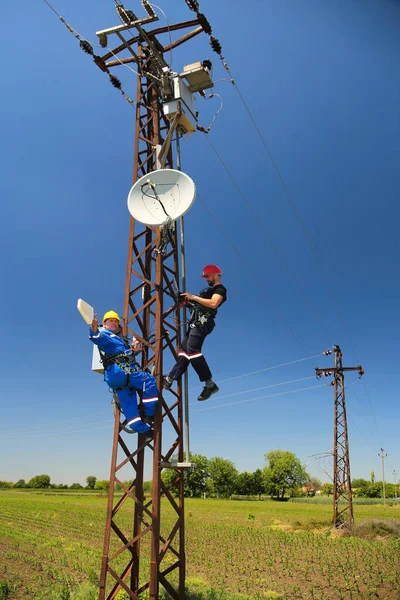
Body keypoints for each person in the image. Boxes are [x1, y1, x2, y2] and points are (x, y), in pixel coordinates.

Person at [89, 310, 158, 440]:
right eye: (111, 321)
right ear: (104, 324)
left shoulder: (118, 340)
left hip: (115, 377)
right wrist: (93, 327)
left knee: (128, 405)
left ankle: (144, 431)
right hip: (122, 371)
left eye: (116, 321)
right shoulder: (105, 335)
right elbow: (95, 337)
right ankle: (150, 414)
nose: (114, 323)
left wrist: (134, 349)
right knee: (148, 380)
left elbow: (123, 355)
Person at [163, 264, 227, 401]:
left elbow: (213, 304)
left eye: (208, 276)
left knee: (192, 350)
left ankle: (210, 384)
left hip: (203, 323)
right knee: (184, 353)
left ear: (216, 274)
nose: (206, 279)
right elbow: (198, 304)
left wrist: (193, 297)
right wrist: (186, 300)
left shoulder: (220, 289)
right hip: (195, 323)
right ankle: (170, 378)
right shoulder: (207, 291)